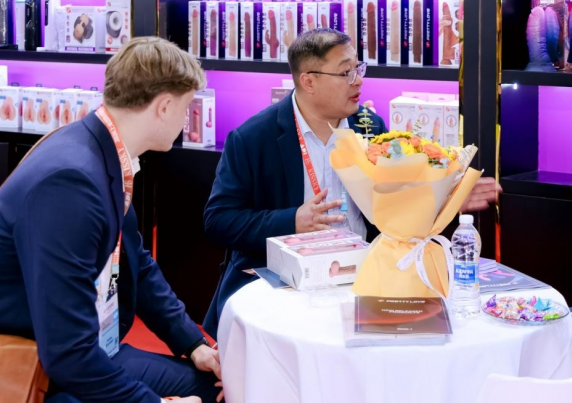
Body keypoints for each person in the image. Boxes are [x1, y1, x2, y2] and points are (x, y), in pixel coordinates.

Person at [203, 28, 500, 337]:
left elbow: (397, 208)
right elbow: (218, 221)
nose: (358, 81)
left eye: (358, 69)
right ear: (309, 81)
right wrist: (293, 221)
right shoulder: (253, 138)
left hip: (364, 278)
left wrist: (443, 199)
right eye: (346, 73)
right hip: (287, 286)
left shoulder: (371, 127)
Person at [0, 37, 223, 403]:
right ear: (165, 106)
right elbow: (68, 354)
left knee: (216, 390)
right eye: (186, 107)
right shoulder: (71, 182)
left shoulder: (99, 151)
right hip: (40, 365)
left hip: (90, 346)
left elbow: (137, 263)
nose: (186, 119)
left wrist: (193, 343)